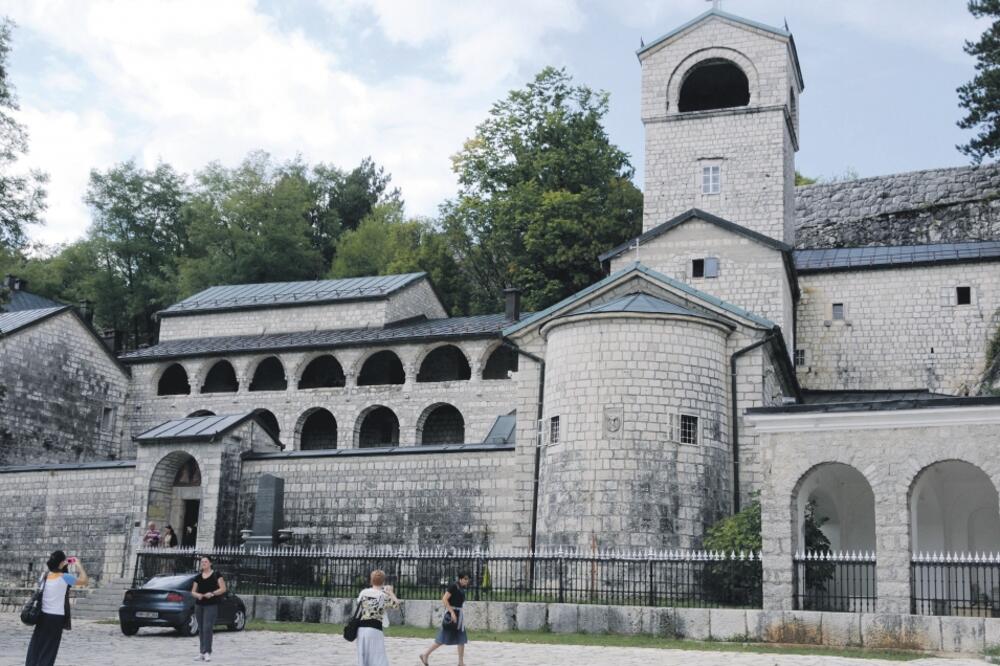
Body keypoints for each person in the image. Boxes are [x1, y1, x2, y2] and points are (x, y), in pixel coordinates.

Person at [25, 550, 88, 666]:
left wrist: (61, 565)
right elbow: (84, 580)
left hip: (42, 616)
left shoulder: (44, 576)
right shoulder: (65, 577)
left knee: (36, 646)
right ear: (61, 563)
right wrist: (78, 565)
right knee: (50, 649)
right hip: (56, 618)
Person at [419, 572, 471, 666]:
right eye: (465, 579)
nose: (467, 581)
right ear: (460, 579)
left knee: (461, 639)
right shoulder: (453, 586)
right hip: (452, 616)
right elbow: (444, 599)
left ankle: (461, 662)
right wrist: (452, 612)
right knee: (442, 638)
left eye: (468, 579)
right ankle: (425, 654)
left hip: (459, 616)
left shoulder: (462, 588)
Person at [354, 569, 400, 666]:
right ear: (383, 582)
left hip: (361, 629)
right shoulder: (383, 596)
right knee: (378, 659)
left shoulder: (364, 593)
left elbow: (359, 605)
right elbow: (397, 605)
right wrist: (391, 592)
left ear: (371, 580)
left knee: (363, 659)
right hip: (375, 630)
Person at [190, 556, 226, 662]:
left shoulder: (216, 574)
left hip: (211, 604)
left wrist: (213, 593)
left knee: (207, 628)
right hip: (199, 605)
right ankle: (201, 652)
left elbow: (223, 589)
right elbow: (193, 591)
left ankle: (207, 652)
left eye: (205, 562)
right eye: (202, 562)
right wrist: (198, 595)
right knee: (201, 628)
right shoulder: (198, 577)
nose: (203, 563)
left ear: (210, 563)